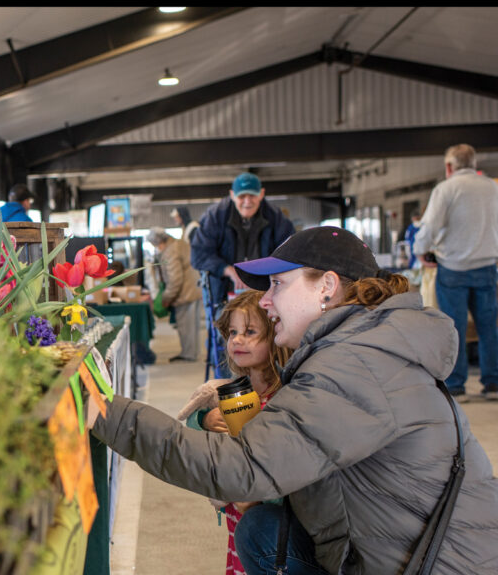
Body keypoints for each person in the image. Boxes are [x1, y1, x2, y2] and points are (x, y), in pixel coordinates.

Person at [87, 226, 498, 574]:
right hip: (433, 550)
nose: (265, 301)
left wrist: (109, 412)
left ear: (327, 287)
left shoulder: (354, 364)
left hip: (438, 564)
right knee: (266, 529)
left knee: (262, 532)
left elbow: (244, 468)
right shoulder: (368, 345)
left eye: (278, 285)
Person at [180, 289, 292, 575]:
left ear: (275, 335)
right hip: (235, 511)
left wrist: (259, 499)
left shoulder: (284, 396)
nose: (238, 340)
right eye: (232, 332)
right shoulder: (229, 389)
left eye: (250, 331)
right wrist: (205, 419)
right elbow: (192, 428)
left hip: (263, 511)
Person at [414, 144, 498, 401]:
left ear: (449, 166)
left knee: (454, 328)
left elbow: (429, 227)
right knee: (489, 328)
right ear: (473, 163)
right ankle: (493, 383)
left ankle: (457, 386)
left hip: (453, 269)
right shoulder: (493, 187)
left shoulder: (446, 189)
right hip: (487, 267)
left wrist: (420, 251)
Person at [191, 172, 295, 377]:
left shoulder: (276, 219)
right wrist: (228, 270)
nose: (247, 202)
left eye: (252, 196)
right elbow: (198, 255)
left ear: (262, 194)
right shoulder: (215, 216)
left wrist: (264, 275)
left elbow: (289, 252)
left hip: (264, 293)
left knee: (269, 337)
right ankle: (228, 384)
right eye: (241, 196)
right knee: (224, 339)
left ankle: (269, 382)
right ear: (232, 195)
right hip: (224, 293)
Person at [151, 227, 202, 362]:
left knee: (186, 327)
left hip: (185, 293)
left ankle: (188, 355)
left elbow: (175, 279)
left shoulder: (170, 251)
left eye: (156, 245)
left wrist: (167, 297)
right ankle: (190, 353)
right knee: (192, 326)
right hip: (193, 289)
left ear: (159, 242)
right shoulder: (179, 243)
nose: (157, 248)